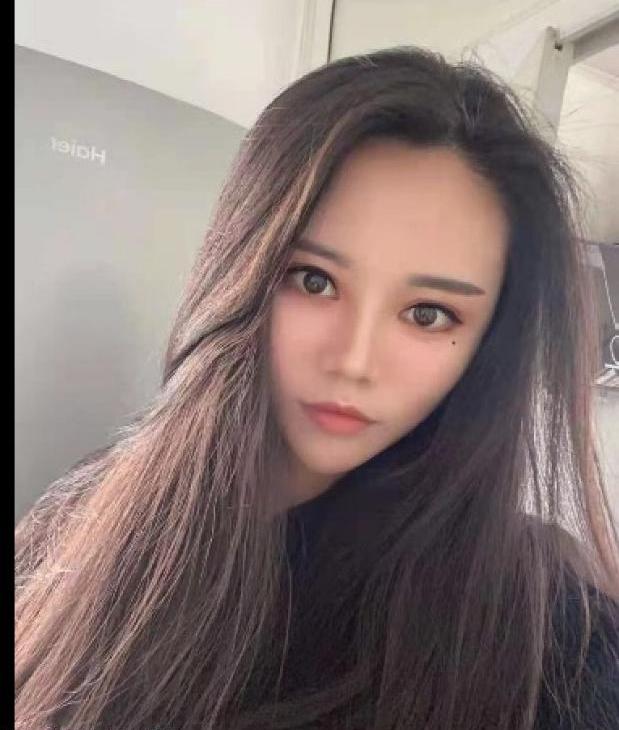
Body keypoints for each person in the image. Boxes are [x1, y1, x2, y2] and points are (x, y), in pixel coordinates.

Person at [15, 46, 619, 730]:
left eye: (428, 315)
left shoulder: (555, 642)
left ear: (489, 342)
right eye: (314, 281)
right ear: (240, 272)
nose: (353, 360)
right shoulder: (91, 510)